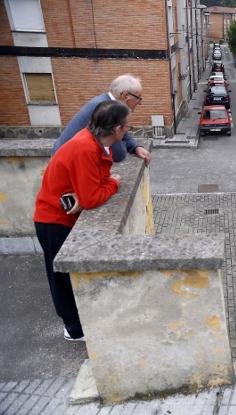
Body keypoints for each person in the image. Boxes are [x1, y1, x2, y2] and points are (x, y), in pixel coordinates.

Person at [34, 101, 130, 341]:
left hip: (61, 216)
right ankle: (74, 330)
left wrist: (101, 185)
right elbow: (91, 198)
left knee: (67, 276)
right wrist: (115, 183)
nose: (130, 129)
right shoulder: (85, 148)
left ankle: (78, 323)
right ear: (117, 129)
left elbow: (93, 186)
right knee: (62, 277)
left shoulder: (94, 141)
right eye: (128, 125)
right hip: (53, 220)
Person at [52, 74, 151, 165]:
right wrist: (124, 145)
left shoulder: (105, 102)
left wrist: (135, 147)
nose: (140, 103)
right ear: (125, 95)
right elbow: (118, 155)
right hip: (67, 162)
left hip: (65, 158)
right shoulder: (109, 110)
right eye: (139, 98)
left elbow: (121, 132)